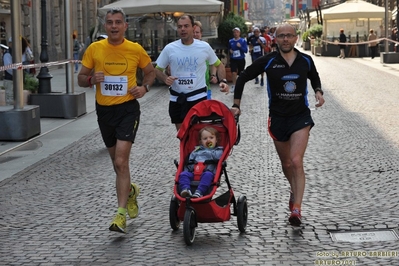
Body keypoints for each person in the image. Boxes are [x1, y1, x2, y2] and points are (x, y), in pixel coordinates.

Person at [230, 23, 325, 227]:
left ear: (295, 38)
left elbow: (314, 77)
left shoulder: (305, 60)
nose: (285, 39)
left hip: (301, 117)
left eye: (289, 36)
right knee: (287, 164)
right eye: (281, 36)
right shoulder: (269, 61)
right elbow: (244, 77)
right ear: (275, 39)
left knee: (296, 160)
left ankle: (297, 209)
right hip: (278, 118)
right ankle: (294, 188)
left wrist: (318, 91)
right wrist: (236, 105)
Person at [77, 7, 155, 234]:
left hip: (128, 110)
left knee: (121, 162)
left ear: (125, 26)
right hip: (104, 112)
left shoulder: (135, 49)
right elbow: (81, 78)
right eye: (110, 22)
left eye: (118, 22)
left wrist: (144, 87)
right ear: (105, 26)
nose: (113, 26)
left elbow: (149, 72)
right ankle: (130, 191)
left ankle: (120, 215)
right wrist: (91, 78)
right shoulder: (95, 49)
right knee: (116, 163)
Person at [155, 14, 229, 131]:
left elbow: (219, 65)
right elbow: (157, 70)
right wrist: (165, 78)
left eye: (186, 26)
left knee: (198, 134)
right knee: (183, 136)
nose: (182, 29)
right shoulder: (170, 48)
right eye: (180, 27)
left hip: (198, 98)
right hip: (177, 99)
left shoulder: (204, 47)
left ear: (193, 28)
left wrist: (223, 81)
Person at [179, 126, 223, 198]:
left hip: (208, 172)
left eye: (211, 138)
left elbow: (217, 157)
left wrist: (209, 150)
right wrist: (191, 165)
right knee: (183, 174)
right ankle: (186, 189)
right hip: (193, 172)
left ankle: (199, 192)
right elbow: (190, 160)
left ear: (216, 140)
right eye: (205, 139)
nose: (208, 140)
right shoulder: (197, 150)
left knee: (208, 175)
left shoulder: (218, 150)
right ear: (201, 141)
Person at [193, 21, 218, 99]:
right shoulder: (184, 49)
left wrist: (213, 75)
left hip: (205, 88)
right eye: (193, 32)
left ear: (201, 34)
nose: (195, 35)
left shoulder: (206, 47)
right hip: (189, 90)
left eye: (197, 32)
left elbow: (213, 63)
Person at [228, 27, 248, 93]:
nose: (235, 33)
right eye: (234, 32)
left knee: (240, 74)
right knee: (233, 72)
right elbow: (229, 48)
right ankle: (234, 85)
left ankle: (239, 86)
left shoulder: (243, 41)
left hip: (241, 59)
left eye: (237, 32)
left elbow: (246, 50)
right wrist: (230, 50)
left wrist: (240, 47)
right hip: (234, 59)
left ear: (239, 33)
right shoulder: (231, 41)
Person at [3, 37, 13, 105]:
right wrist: (16, 73)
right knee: (10, 99)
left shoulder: (15, 53)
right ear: (9, 44)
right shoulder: (7, 54)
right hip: (10, 80)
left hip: (14, 79)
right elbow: (8, 68)